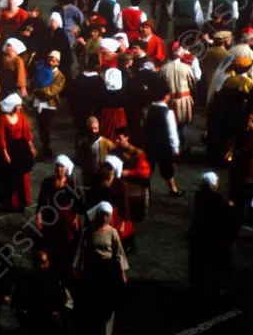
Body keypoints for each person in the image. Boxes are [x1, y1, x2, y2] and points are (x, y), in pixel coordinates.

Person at [73, 202, 129, 335]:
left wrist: (122, 273)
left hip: (108, 271)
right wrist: (77, 268)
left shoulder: (112, 233)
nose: (104, 218)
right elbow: (81, 250)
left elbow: (118, 253)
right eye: (102, 215)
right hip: (93, 271)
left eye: (107, 216)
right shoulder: (90, 232)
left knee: (108, 302)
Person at [35, 155, 83, 278]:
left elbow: (78, 204)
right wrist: (39, 216)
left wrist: (76, 217)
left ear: (66, 169)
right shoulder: (48, 182)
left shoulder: (72, 184)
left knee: (66, 245)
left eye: (62, 167)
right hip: (51, 217)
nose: (59, 169)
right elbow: (41, 201)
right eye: (57, 166)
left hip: (66, 219)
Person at [188, 172, 235, 295]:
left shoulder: (199, 196)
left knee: (199, 259)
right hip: (215, 236)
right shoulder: (218, 199)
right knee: (215, 261)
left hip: (200, 233)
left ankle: (199, 284)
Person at [0, 93, 36, 211]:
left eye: (20, 106)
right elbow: (1, 138)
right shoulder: (3, 119)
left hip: (20, 150)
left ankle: (22, 201)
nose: (19, 108)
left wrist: (31, 147)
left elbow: (27, 134)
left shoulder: (21, 118)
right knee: (10, 177)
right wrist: (5, 154)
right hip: (9, 150)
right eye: (17, 106)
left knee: (22, 176)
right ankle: (12, 203)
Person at [142, 76, 184, 197]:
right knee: (167, 168)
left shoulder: (149, 109)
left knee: (148, 167)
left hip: (150, 143)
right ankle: (173, 188)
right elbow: (172, 132)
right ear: (166, 96)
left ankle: (145, 189)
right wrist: (175, 148)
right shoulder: (168, 113)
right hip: (164, 145)